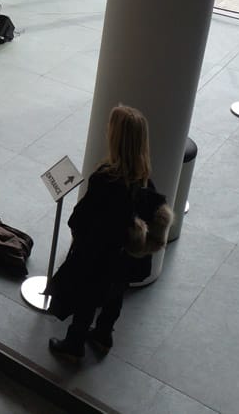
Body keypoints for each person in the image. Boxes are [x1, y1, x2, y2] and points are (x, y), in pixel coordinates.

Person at [46, 104, 156, 361]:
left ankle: (74, 345)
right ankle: (103, 336)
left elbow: (81, 219)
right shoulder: (144, 180)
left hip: (99, 257)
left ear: (116, 138)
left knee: (87, 299)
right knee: (114, 296)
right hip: (125, 259)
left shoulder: (105, 179)